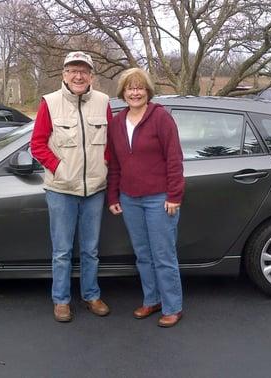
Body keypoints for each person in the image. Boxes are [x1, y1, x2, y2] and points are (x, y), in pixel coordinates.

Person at [30, 51, 112, 322]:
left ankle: (91, 295)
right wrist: (59, 168)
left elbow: (111, 143)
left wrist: (105, 166)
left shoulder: (103, 101)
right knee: (62, 251)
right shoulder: (50, 103)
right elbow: (38, 144)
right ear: (64, 74)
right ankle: (61, 300)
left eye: (84, 71)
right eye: (73, 70)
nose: (78, 75)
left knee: (91, 249)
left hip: (95, 190)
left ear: (91, 76)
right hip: (61, 190)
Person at [107, 68, 185, 327]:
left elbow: (174, 159)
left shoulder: (160, 118)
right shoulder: (117, 123)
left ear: (148, 91)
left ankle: (172, 306)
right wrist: (113, 195)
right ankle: (151, 300)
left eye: (140, 87)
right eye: (130, 88)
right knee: (142, 255)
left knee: (163, 255)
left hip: (159, 199)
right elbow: (115, 163)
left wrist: (174, 195)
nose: (135, 92)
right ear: (123, 92)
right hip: (130, 199)